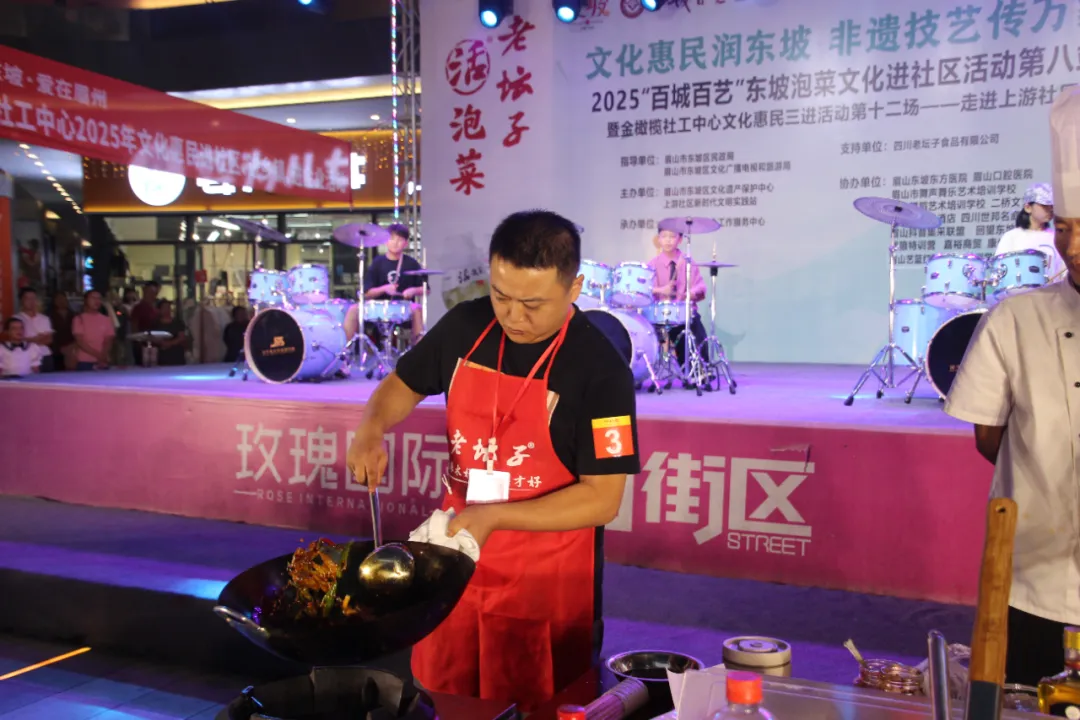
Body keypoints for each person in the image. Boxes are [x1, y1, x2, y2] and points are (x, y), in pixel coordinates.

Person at [345, 210, 641, 710]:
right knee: (444, 700)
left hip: (545, 581)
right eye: (502, 296)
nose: (513, 317)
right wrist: (370, 428)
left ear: (574, 288)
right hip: (452, 562)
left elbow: (602, 498)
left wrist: (494, 516)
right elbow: (401, 385)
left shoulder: (601, 370)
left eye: (533, 304)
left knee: (532, 705)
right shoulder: (466, 325)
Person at [943, 88, 1080, 686]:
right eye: (1065, 229)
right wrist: (1046, 475)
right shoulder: (1016, 317)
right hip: (1029, 579)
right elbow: (988, 436)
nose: (1072, 246)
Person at [646, 225, 710, 366]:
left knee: (697, 335)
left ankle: (700, 369)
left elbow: (701, 287)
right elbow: (644, 289)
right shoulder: (652, 264)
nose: (668, 240)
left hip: (685, 313)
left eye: (672, 236)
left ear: (680, 239)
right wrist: (661, 290)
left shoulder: (688, 262)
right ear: (659, 239)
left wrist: (689, 294)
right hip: (660, 315)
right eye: (664, 236)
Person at [359, 224, 427, 342]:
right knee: (353, 310)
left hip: (404, 307)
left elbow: (426, 289)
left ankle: (419, 347)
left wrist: (413, 290)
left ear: (405, 243)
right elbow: (366, 293)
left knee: (417, 308)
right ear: (386, 241)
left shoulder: (411, 263)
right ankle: (348, 349)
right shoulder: (377, 263)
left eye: (400, 240)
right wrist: (384, 288)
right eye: (392, 239)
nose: (395, 243)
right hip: (378, 308)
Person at [994, 183, 1067, 284]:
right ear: (1028, 207)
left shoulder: (1057, 237)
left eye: (1052, 206)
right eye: (1044, 205)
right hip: (1018, 292)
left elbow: (1064, 272)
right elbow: (999, 270)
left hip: (1052, 292)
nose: (1050, 210)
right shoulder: (1011, 237)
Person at [71, 290, 115, 371]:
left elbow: (108, 340)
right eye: (93, 298)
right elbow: (80, 341)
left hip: (103, 361)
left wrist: (103, 355)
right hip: (85, 361)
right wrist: (98, 355)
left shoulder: (106, 319)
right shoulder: (79, 319)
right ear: (86, 300)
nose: (96, 301)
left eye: (99, 298)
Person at [14, 287, 54, 372]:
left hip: (45, 355)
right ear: (21, 300)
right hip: (25, 356)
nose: (31, 301)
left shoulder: (44, 318)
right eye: (28, 299)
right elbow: (16, 339)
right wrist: (36, 339)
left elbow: (49, 339)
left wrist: (30, 340)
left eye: (33, 298)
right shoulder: (16, 319)